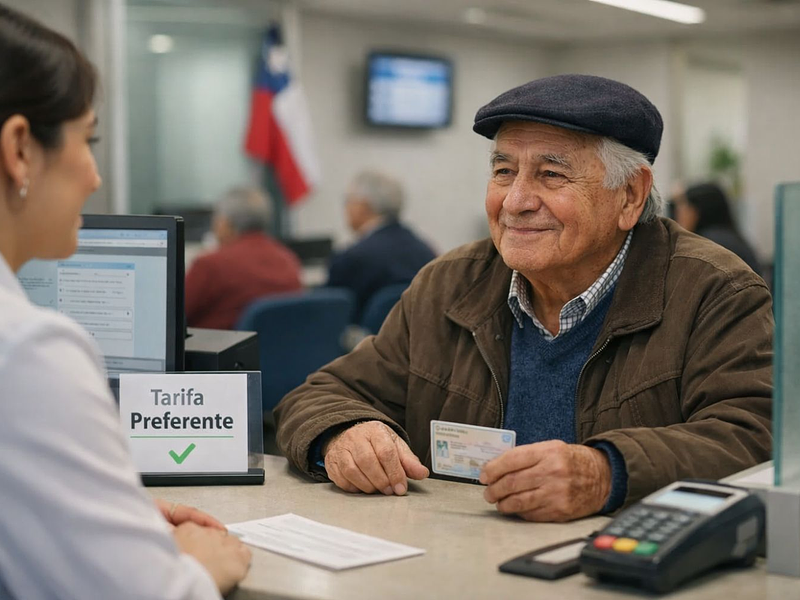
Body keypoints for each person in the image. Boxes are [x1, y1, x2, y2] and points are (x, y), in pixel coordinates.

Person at [274, 74, 772, 523]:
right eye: (504, 171)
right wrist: (342, 432)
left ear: (631, 196)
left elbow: (754, 437)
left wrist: (606, 472)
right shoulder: (448, 284)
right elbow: (319, 395)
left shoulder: (716, 291)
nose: (515, 201)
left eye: (551, 175)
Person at [0, 5, 250, 598]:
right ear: (18, 150)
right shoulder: (28, 349)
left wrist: (98, 509)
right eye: (88, 140)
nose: (95, 176)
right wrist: (198, 565)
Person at [185, 186, 302, 329]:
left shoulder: (210, 265)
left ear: (224, 223)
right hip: (280, 349)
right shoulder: (288, 258)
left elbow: (172, 317)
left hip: (219, 348)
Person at [327, 170, 436, 322]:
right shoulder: (426, 250)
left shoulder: (351, 258)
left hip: (369, 343)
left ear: (363, 206)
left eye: (348, 201)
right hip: (420, 340)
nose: (346, 208)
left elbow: (329, 313)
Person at [673, 181, 763, 276]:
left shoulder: (709, 244)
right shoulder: (729, 238)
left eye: (684, 206)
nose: (678, 213)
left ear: (699, 210)